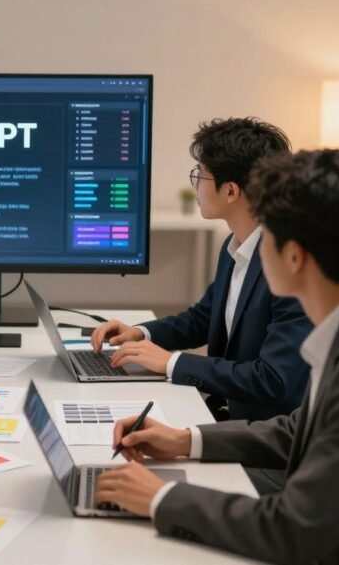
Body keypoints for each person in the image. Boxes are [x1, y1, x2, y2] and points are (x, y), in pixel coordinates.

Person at [95, 149, 339, 564]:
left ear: (295, 256)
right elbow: (304, 428)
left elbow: (293, 531)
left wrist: (163, 498)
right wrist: (185, 440)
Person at [91, 118, 312, 423]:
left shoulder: (290, 267)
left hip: (263, 437)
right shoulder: (235, 245)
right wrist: (141, 333)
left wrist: (172, 363)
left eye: (200, 175)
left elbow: (270, 379)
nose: (194, 185)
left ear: (231, 190)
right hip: (227, 415)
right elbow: (204, 317)